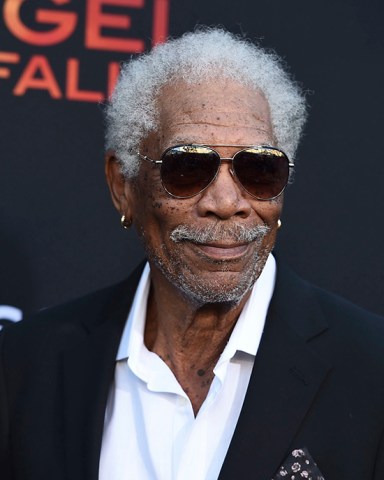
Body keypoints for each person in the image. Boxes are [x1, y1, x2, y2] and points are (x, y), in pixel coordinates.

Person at [1, 28, 384, 480]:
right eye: (187, 167)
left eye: (260, 168)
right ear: (123, 186)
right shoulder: (27, 365)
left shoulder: (372, 371)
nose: (226, 202)